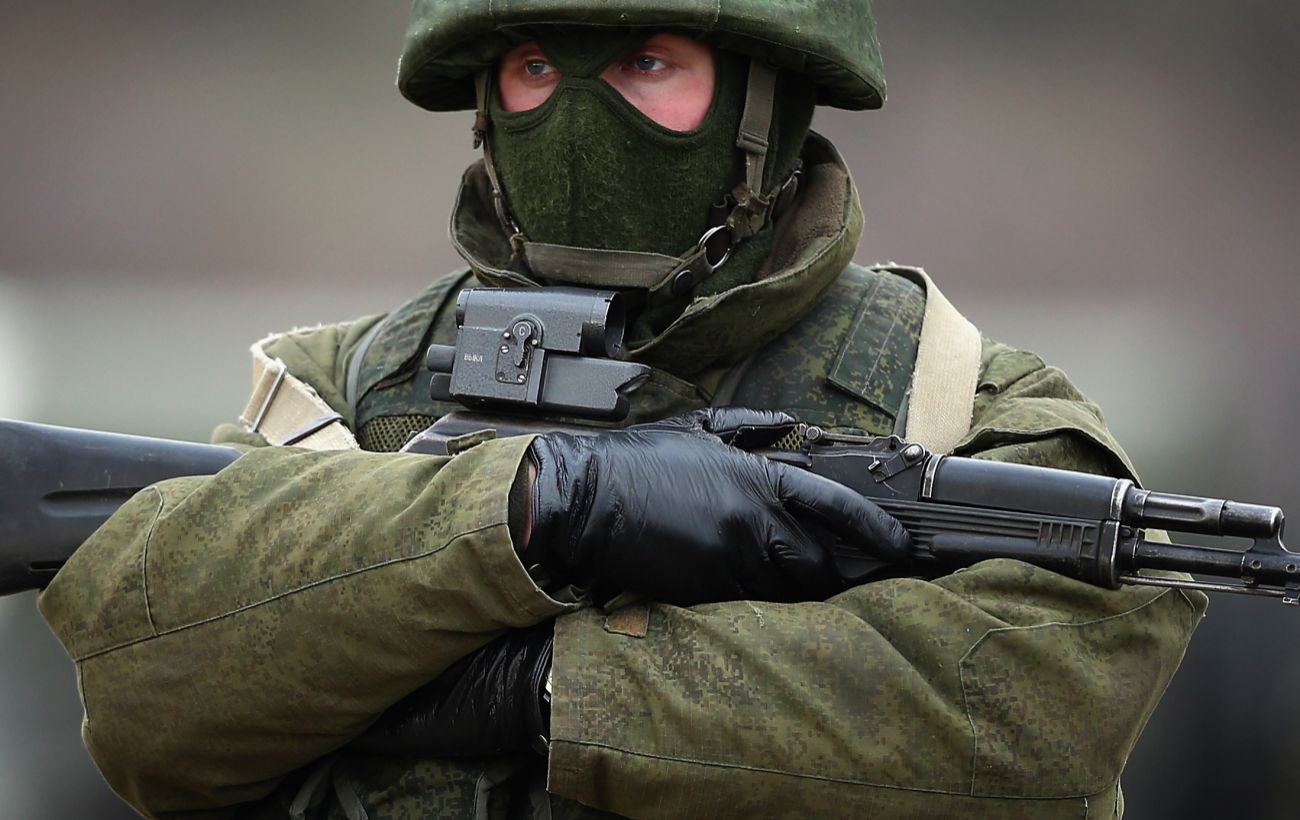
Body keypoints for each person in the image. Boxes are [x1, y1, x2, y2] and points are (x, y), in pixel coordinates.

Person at [36, 1, 1205, 817]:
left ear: (762, 100)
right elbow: (146, 693)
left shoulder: (955, 403)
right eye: (537, 66)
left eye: (648, 62)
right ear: (485, 102)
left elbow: (1034, 718)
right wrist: (533, 504)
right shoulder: (339, 397)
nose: (579, 115)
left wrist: (543, 689)